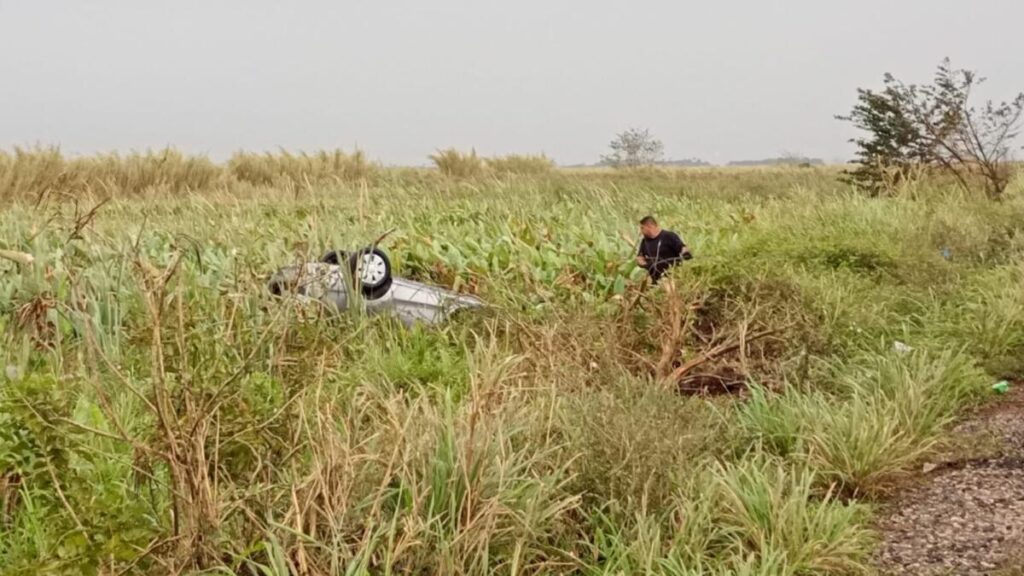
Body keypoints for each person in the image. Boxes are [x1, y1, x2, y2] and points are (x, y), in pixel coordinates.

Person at [636, 215, 690, 283]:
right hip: (656, 281)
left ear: (650, 226)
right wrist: (644, 264)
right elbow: (640, 256)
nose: (641, 231)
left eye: (642, 228)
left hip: (672, 277)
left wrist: (686, 253)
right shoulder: (644, 241)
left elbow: (682, 247)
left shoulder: (669, 236)